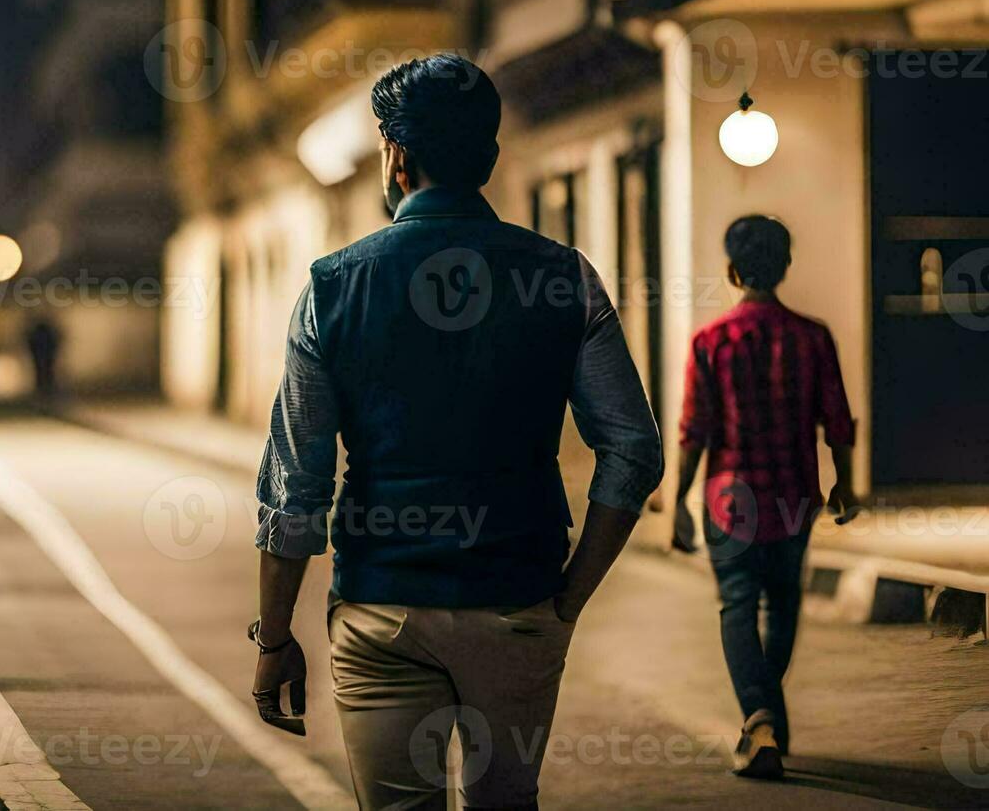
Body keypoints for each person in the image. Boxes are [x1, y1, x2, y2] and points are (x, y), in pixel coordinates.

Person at [248, 54, 663, 810]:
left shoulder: (333, 287)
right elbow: (633, 449)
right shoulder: (565, 277)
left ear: (396, 156)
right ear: (491, 158)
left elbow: (295, 486)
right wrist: (570, 598)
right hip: (518, 597)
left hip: (383, 608)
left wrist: (275, 640)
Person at [658, 214, 857, 779]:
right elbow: (837, 420)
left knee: (738, 606)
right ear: (786, 265)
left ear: (731, 269)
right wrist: (846, 482)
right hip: (794, 494)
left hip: (730, 502)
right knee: (785, 603)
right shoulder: (813, 337)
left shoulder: (710, 342)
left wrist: (676, 501)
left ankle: (760, 719)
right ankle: (766, 710)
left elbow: (694, 429)